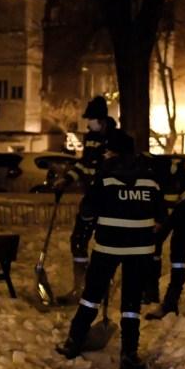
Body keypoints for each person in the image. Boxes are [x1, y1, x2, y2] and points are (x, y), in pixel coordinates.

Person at [54, 129, 163, 369]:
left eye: (106, 150)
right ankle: (129, 354)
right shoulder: (149, 176)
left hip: (108, 247)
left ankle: (74, 341)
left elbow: (87, 211)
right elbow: (160, 216)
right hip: (141, 249)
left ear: (112, 151)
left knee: (91, 296)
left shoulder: (104, 177)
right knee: (132, 302)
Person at [60, 96, 114, 300]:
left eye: (90, 118)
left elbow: (110, 167)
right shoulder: (90, 137)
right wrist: (67, 179)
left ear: (100, 119)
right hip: (91, 197)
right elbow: (84, 164)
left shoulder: (112, 138)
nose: (88, 122)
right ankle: (80, 287)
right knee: (78, 240)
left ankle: (101, 287)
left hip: (107, 199)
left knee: (104, 245)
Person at [144, 153, 185, 319]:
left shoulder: (158, 169)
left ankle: (171, 302)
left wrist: (159, 222)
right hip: (172, 201)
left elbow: (168, 199)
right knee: (152, 244)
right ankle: (150, 292)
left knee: (178, 252)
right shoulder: (142, 169)